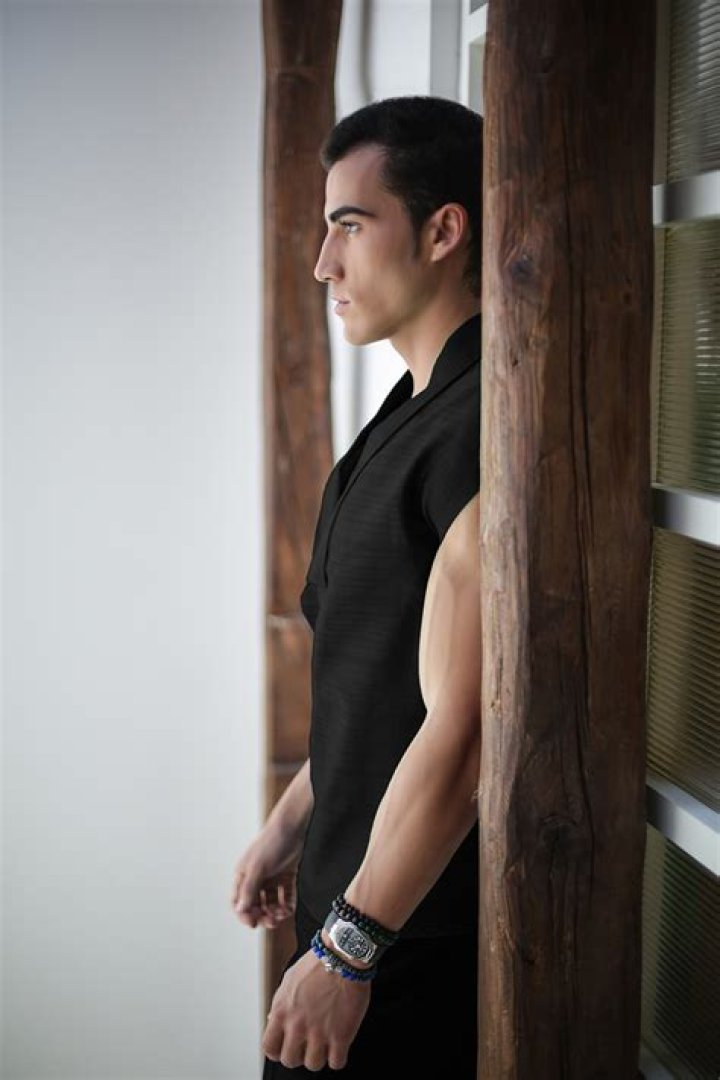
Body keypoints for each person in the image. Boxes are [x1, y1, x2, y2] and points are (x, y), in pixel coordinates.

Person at [231, 96, 483, 1076]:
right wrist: (292, 822)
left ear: (443, 231)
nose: (322, 264)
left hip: (403, 946)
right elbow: (373, 689)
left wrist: (348, 952)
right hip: (349, 912)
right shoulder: (405, 413)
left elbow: (464, 733)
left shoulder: (480, 430)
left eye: (349, 225)